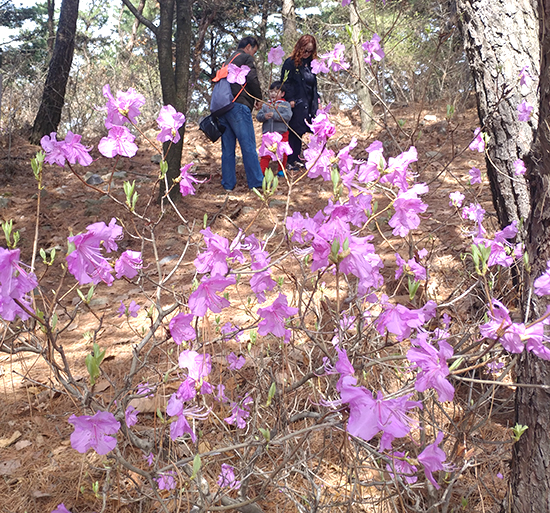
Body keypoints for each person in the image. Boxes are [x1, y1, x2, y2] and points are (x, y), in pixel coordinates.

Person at [217, 36, 265, 191]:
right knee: (248, 145)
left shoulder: (227, 61)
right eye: (254, 51)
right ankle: (257, 183)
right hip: (239, 107)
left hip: (223, 108)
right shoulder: (245, 58)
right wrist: (258, 98)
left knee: (228, 149)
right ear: (249, 47)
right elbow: (251, 78)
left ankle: (228, 185)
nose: (253, 55)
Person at [280, 35, 320, 169]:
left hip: (309, 103)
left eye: (309, 51)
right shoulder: (290, 63)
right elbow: (285, 83)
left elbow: (313, 85)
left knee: (304, 130)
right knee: (294, 130)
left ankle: (298, 157)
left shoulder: (311, 64)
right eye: (304, 50)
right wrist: (290, 99)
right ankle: (290, 160)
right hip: (295, 103)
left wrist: (317, 101)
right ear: (299, 48)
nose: (306, 53)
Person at [256, 81, 293, 175]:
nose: (273, 93)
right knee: (266, 153)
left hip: (282, 134)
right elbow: (258, 117)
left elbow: (287, 116)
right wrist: (264, 116)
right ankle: (262, 171)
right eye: (271, 91)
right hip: (268, 135)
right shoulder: (265, 105)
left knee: (283, 153)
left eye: (276, 91)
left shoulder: (285, 105)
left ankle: (281, 170)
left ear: (282, 93)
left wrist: (275, 115)